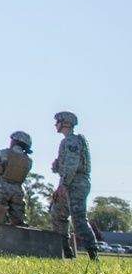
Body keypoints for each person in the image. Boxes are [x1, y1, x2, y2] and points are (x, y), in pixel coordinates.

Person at [50, 111, 97, 259]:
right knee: (57, 215)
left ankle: (93, 255)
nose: (55, 125)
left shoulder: (71, 141)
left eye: (58, 121)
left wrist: (63, 186)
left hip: (76, 184)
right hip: (69, 183)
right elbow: (65, 168)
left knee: (78, 219)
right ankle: (66, 253)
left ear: (66, 123)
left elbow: (71, 165)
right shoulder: (69, 141)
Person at [0, 131, 33, 225]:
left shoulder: (4, 153)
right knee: (18, 222)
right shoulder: (28, 160)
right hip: (18, 191)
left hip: (0, 188)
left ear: (15, 141)